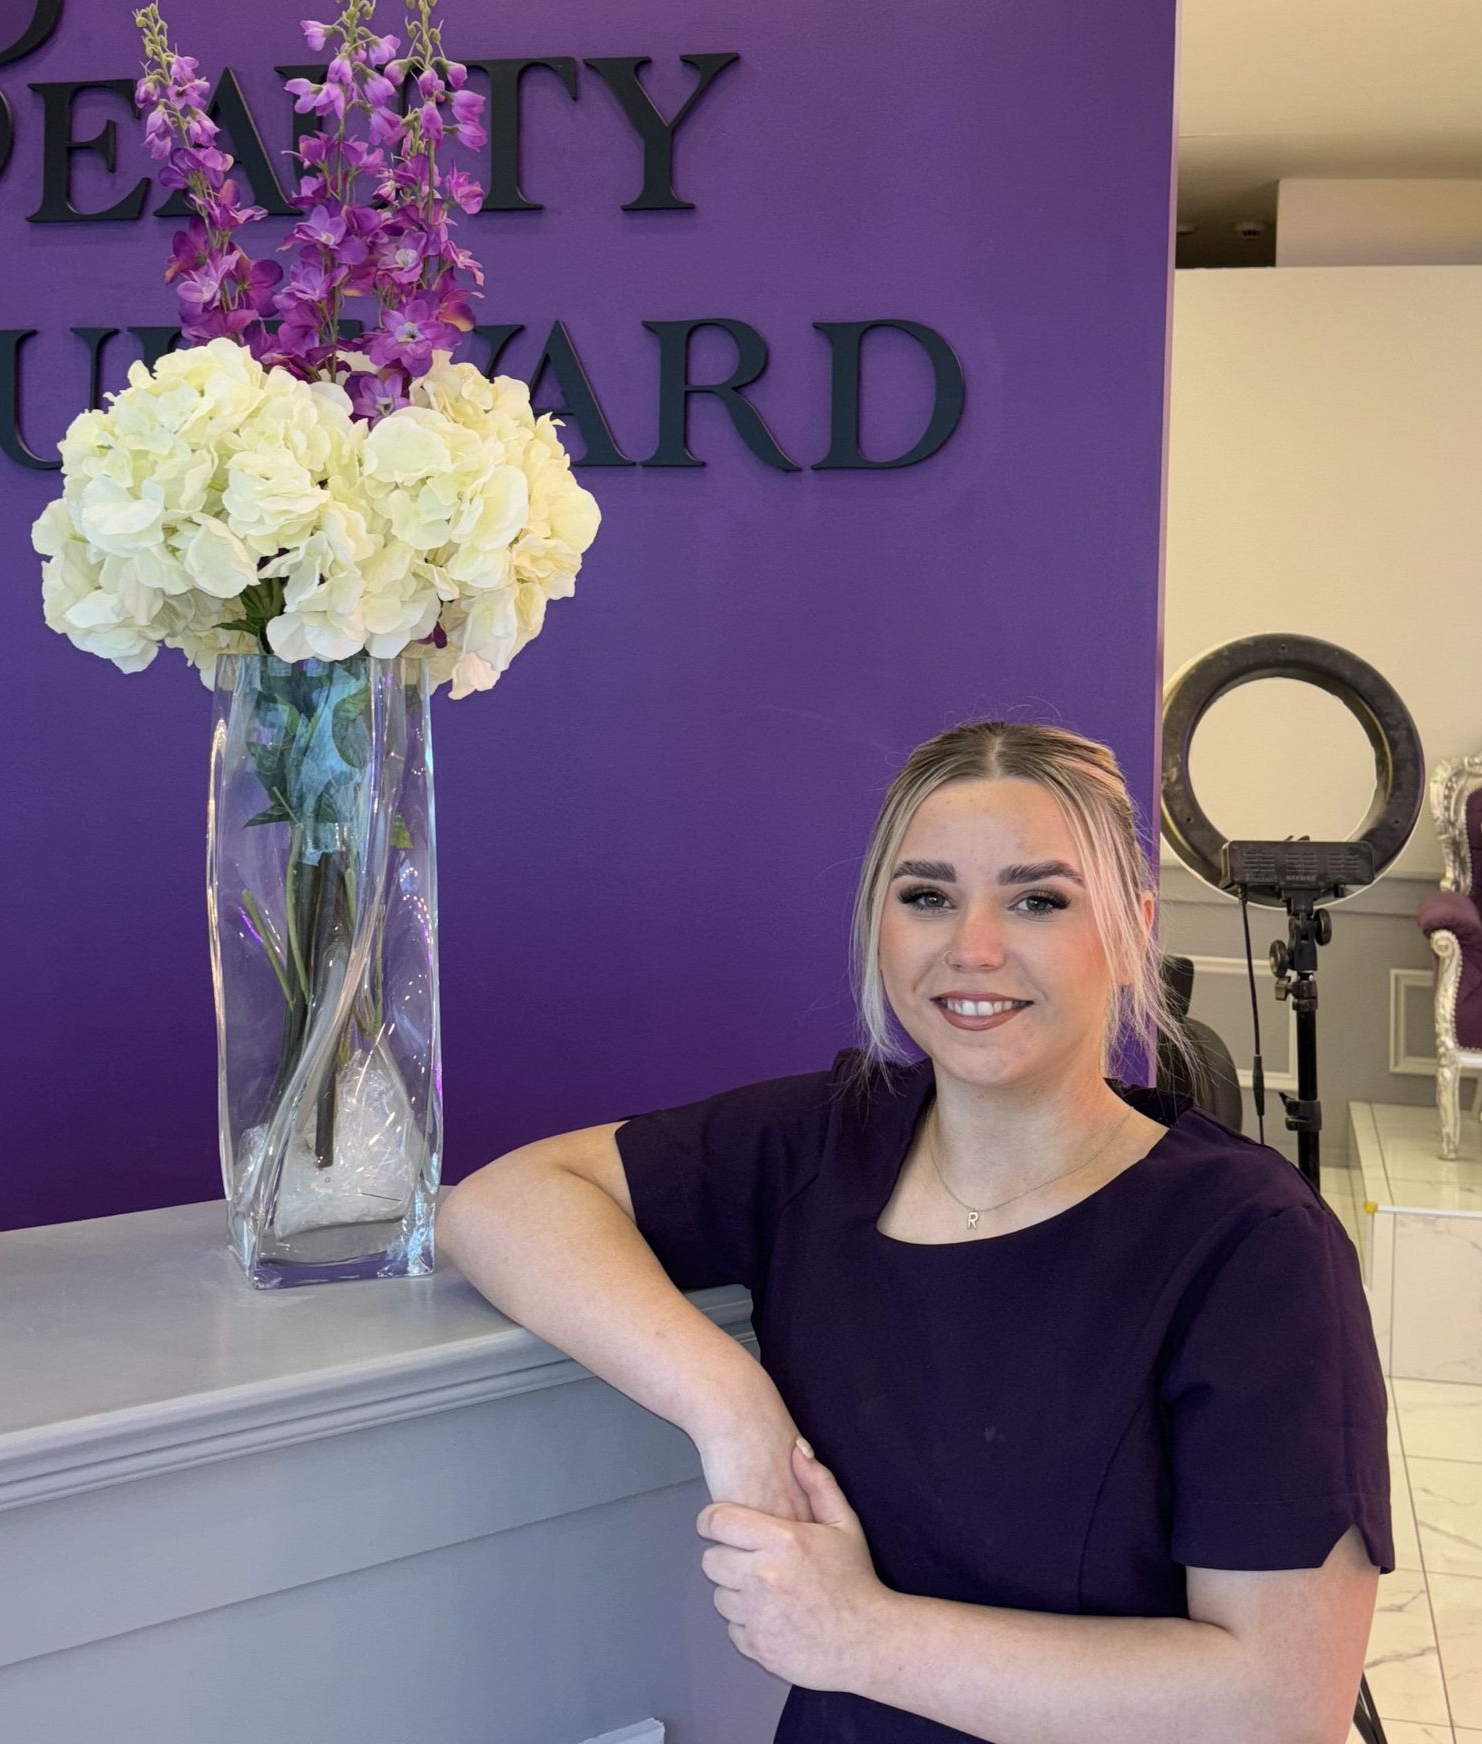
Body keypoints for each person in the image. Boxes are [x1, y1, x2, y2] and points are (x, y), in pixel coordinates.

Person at [438, 720, 1389, 1743]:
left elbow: (1283, 1708)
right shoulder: (825, 1145)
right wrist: (730, 1403)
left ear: (1129, 933)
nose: (971, 948)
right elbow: (499, 1205)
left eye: (1037, 899)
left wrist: (862, 1637)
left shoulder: (1252, 1245)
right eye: (927, 896)